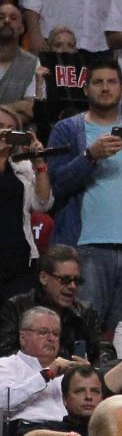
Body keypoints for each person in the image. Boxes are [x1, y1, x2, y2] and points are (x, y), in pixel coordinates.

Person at [47, 62, 122, 331]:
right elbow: (55, 188)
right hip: (83, 249)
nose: (105, 87)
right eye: (98, 82)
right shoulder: (66, 130)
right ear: (86, 89)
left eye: (111, 82)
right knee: (82, 332)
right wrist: (89, 156)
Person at [0, 245, 104, 364]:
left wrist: (90, 369)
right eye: (65, 280)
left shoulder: (85, 313)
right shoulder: (15, 308)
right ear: (43, 278)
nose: (72, 286)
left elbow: (103, 352)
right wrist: (50, 366)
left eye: (77, 280)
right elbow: (6, 354)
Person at [0, 105, 52, 301]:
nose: (5, 132)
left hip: (18, 261)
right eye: (0, 126)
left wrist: (39, 164)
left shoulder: (21, 168)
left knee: (15, 323)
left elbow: (43, 204)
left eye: (10, 128)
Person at [0, 307, 75, 435]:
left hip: (69, 432)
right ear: (23, 338)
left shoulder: (68, 371)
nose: (51, 338)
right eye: (43, 332)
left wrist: (87, 376)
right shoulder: (6, 365)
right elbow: (3, 403)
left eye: (56, 334)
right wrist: (47, 375)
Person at [0, 6, 39, 124]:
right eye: (1, 17)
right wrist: (18, 105)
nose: (7, 20)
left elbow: (31, 109)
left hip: (12, 136)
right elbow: (23, 107)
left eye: (13, 18)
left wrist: (4, 125)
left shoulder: (33, 63)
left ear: (22, 28)